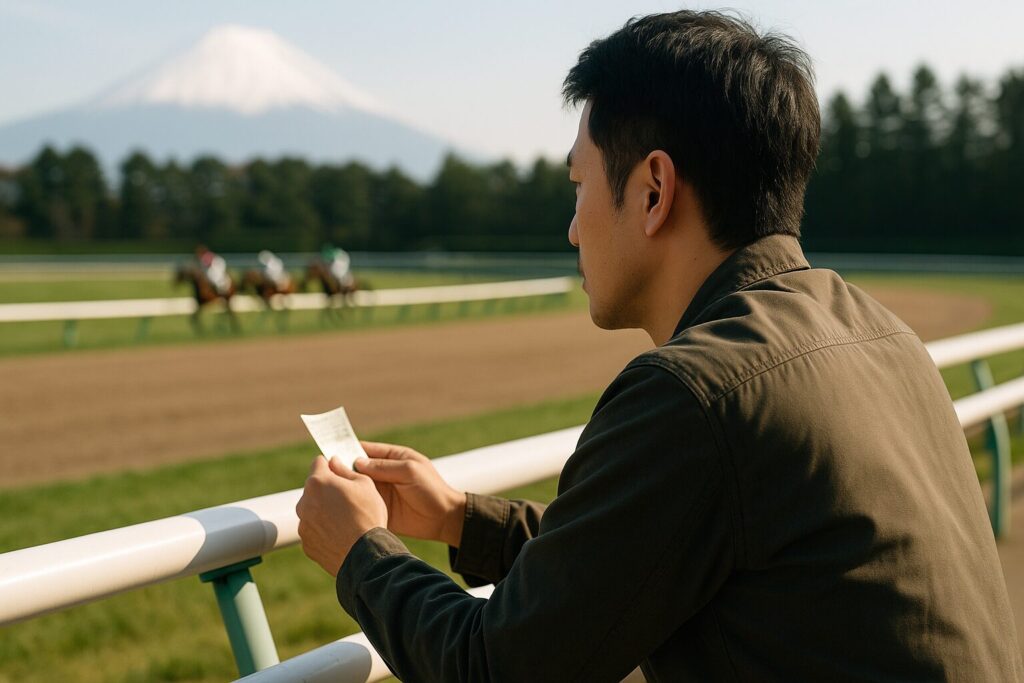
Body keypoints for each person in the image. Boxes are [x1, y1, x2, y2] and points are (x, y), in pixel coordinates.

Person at [296, 11, 1022, 681]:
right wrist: (459, 516)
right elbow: (649, 554)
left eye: (578, 184)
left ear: (653, 190)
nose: (573, 229)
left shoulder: (697, 391)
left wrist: (362, 551)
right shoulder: (884, 334)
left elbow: (496, 666)